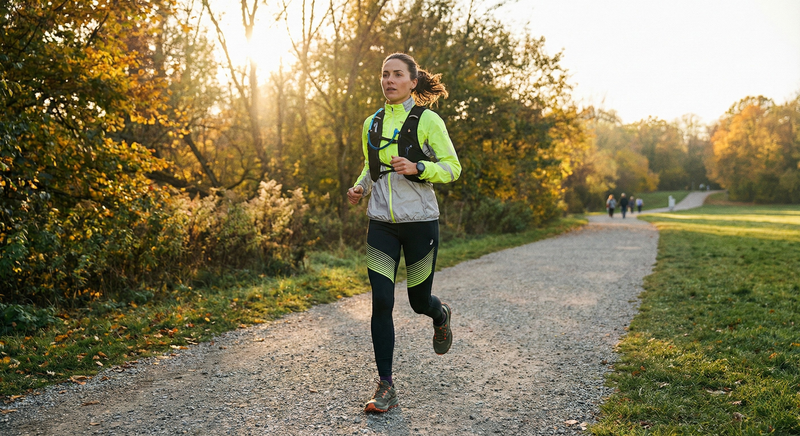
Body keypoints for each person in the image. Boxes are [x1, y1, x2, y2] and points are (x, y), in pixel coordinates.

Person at [347, 53, 462, 413]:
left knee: (418, 301)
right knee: (382, 301)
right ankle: (386, 386)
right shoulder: (372, 123)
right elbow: (370, 168)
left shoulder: (428, 121)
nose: (389, 80)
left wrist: (419, 168)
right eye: (385, 74)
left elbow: (453, 168)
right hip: (381, 224)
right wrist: (360, 187)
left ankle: (439, 315)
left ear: (413, 82)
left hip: (420, 224)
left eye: (397, 74)